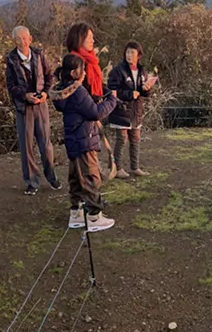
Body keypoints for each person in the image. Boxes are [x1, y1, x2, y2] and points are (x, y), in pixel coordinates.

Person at [52, 24, 115, 232]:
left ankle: (77, 213)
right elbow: (92, 109)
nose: (93, 40)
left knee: (76, 173)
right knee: (89, 173)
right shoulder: (77, 70)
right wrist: (111, 101)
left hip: (75, 131)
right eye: (89, 37)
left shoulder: (67, 83)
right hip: (84, 130)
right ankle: (94, 216)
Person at [1, 26, 60, 195]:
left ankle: (52, 177)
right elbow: (10, 86)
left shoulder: (39, 55)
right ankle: (32, 182)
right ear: (14, 41)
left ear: (30, 39)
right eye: (18, 39)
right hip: (23, 108)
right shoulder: (11, 59)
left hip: (41, 106)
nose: (21, 41)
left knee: (46, 144)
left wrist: (45, 95)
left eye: (24, 38)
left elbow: (49, 76)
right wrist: (25, 96)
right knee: (27, 147)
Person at [104, 41, 156, 178]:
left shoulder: (142, 71)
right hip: (121, 110)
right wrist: (128, 94)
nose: (129, 55)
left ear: (139, 55)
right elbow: (111, 90)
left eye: (132, 52)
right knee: (121, 139)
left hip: (136, 111)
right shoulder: (118, 71)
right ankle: (117, 168)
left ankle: (135, 167)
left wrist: (147, 89)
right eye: (127, 52)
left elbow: (144, 94)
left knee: (136, 139)